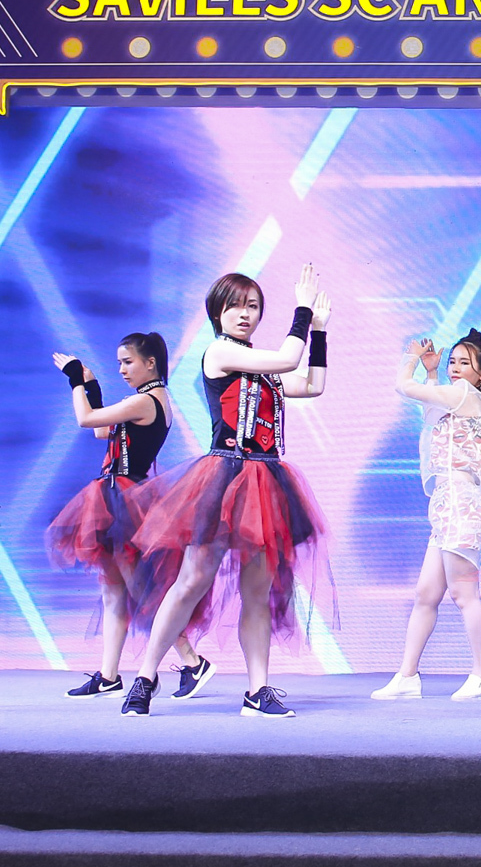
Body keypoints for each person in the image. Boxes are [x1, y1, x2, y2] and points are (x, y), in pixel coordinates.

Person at [119, 264, 331, 718]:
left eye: (253, 306)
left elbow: (312, 385)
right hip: (224, 476)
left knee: (258, 592)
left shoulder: (261, 366)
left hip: (265, 481)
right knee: (192, 580)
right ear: (218, 312)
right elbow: (286, 359)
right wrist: (301, 310)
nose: (245, 313)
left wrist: (319, 331)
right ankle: (146, 677)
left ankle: (258, 691)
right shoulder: (219, 351)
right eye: (235, 305)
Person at [46, 333, 210, 700]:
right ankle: (109, 675)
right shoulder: (145, 399)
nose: (122, 369)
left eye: (127, 362)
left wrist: (74, 379)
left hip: (126, 498)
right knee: (114, 591)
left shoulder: (146, 401)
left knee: (142, 591)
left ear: (150, 363)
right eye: (119, 362)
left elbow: (86, 419)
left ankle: (192, 661)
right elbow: (102, 431)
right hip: (117, 496)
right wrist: (92, 385)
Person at [373, 330, 481, 703]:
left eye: (465, 363)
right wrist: (431, 373)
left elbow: (404, 388)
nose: (455, 368)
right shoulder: (461, 399)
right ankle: (407, 676)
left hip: (461, 502)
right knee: (426, 594)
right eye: (453, 362)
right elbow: (432, 414)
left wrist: (411, 358)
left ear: (480, 374)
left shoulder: (465, 395)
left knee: (464, 594)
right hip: (448, 504)